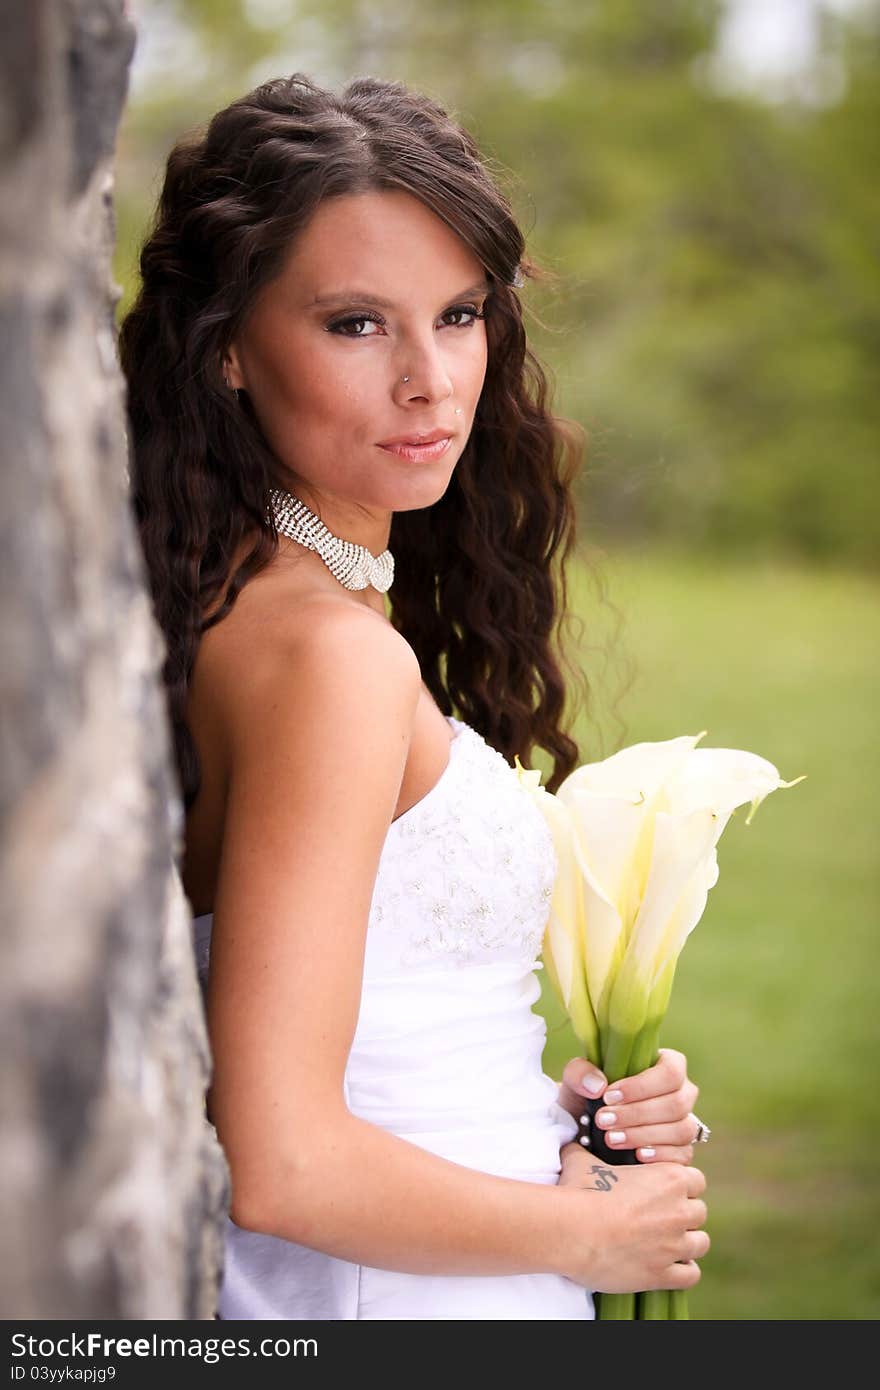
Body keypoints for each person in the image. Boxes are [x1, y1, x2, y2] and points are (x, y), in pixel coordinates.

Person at [118, 72, 710, 1321]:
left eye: (457, 314)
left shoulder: (266, 606)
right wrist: (597, 1234)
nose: (431, 380)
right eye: (354, 324)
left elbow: (378, 1044)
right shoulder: (326, 655)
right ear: (225, 344)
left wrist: (566, 1125)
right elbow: (282, 1163)